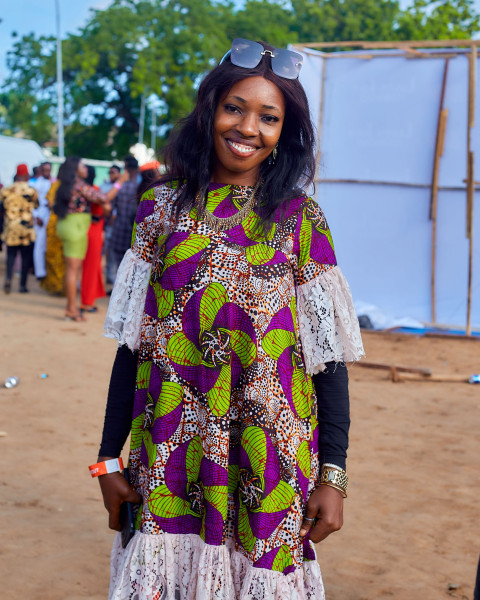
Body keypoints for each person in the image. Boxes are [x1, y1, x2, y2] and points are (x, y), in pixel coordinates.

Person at [95, 39, 364, 599]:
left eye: (269, 117)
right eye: (235, 108)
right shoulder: (161, 209)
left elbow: (327, 359)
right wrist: (105, 459)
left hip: (267, 460)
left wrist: (333, 475)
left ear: (284, 132)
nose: (248, 128)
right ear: (210, 110)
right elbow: (132, 347)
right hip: (172, 447)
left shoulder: (299, 219)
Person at [53, 157, 124, 321]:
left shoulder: (65, 185)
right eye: (82, 165)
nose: (85, 168)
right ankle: (71, 309)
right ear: (75, 169)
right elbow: (104, 198)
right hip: (76, 228)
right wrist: (120, 182)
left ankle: (71, 307)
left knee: (71, 269)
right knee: (73, 270)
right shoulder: (80, 186)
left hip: (65, 226)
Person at [0, 164, 38, 293]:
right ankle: (22, 285)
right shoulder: (31, 191)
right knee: (25, 258)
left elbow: (1, 208)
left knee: (10, 256)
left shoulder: (6, 190)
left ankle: (8, 279)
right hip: (26, 228)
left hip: (11, 227)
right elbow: (37, 206)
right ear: (27, 175)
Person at [80, 165, 111, 312]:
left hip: (84, 227)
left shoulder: (82, 189)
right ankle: (87, 301)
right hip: (94, 228)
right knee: (91, 265)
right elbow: (106, 207)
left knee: (90, 265)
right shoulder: (92, 190)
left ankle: (88, 298)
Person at [107, 155, 139, 283]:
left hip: (119, 230)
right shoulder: (141, 187)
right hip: (134, 233)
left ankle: (118, 289)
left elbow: (109, 207)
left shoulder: (120, 187)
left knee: (119, 264)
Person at [32, 161, 54, 280]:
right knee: (39, 245)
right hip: (40, 214)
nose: (47, 172)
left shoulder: (53, 182)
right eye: (44, 169)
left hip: (50, 215)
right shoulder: (37, 184)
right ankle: (40, 272)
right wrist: (36, 216)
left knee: (48, 244)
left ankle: (48, 271)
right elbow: (33, 202)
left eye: (48, 169)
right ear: (40, 170)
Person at [101, 165, 122, 285]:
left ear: (119, 173)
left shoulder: (123, 186)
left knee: (113, 253)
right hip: (106, 224)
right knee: (103, 250)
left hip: (118, 225)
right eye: (109, 172)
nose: (111, 174)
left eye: (113, 172)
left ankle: (111, 276)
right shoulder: (105, 187)